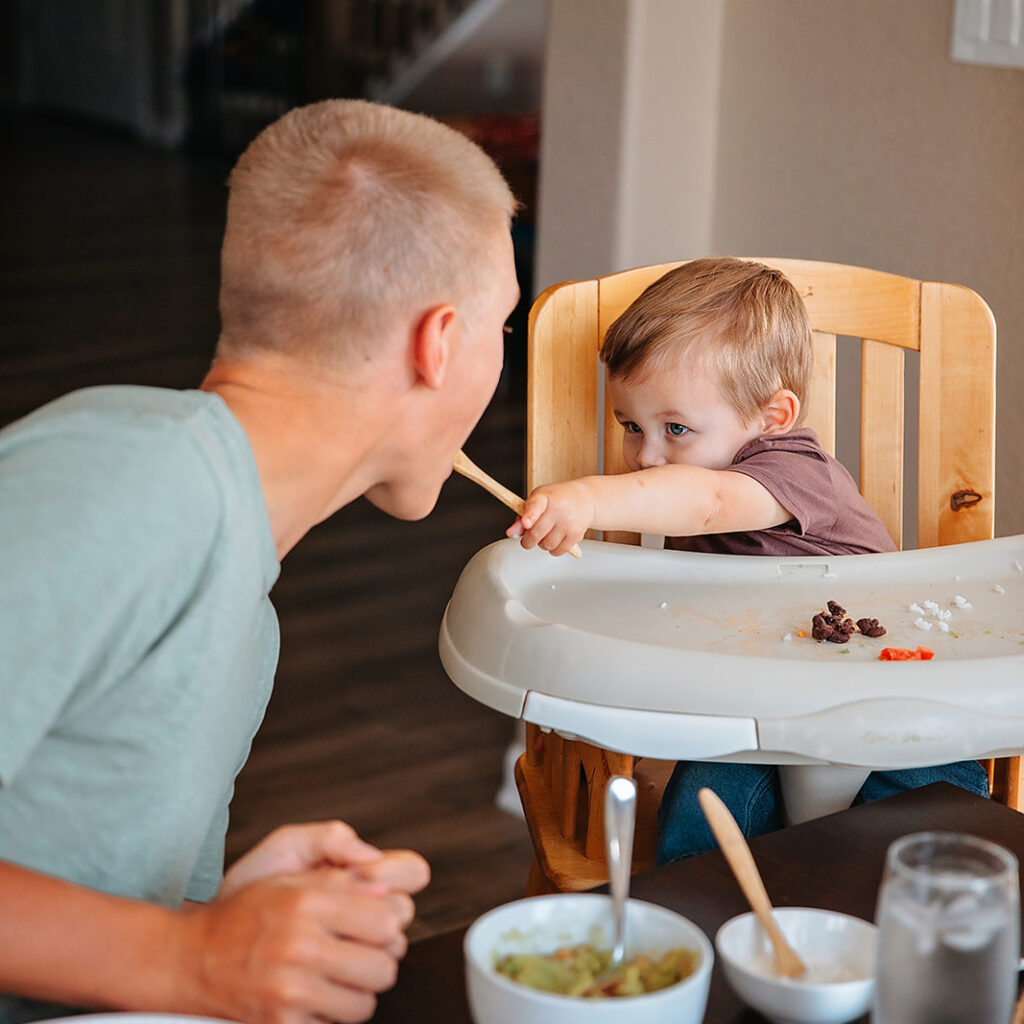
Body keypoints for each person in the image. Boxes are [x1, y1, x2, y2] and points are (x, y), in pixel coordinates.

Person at [0, 98, 519, 1023]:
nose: (500, 361)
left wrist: (227, 923)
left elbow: (92, 927)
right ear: (438, 343)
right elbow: (171, 965)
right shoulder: (134, 486)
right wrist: (190, 956)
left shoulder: (245, 607)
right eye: (504, 331)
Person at [506, 256, 989, 862]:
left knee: (934, 809)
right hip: (756, 719)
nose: (646, 456)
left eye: (675, 429)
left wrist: (586, 498)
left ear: (772, 417)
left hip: (881, 709)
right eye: (631, 426)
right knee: (699, 817)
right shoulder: (687, 492)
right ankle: (710, 913)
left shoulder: (794, 473)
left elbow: (707, 502)